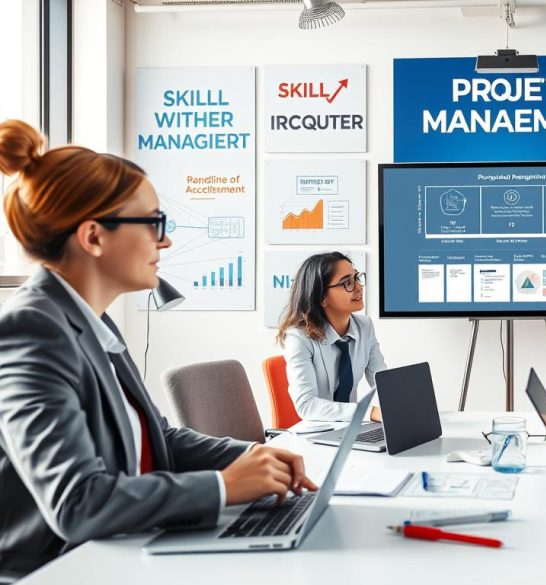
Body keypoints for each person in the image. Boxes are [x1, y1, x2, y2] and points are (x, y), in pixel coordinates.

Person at [0, 120, 317, 578]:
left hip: (122, 550)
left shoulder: (92, 319)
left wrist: (250, 456)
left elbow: (158, 437)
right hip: (64, 569)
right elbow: (76, 502)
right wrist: (224, 487)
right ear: (93, 237)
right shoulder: (30, 331)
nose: (165, 240)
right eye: (152, 223)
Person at [276, 251, 386, 422]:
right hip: (316, 431)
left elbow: (383, 384)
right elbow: (307, 405)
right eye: (347, 283)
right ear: (321, 298)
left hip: (349, 428)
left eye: (356, 278)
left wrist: (402, 406)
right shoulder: (298, 338)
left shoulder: (365, 327)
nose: (359, 287)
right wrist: (370, 413)